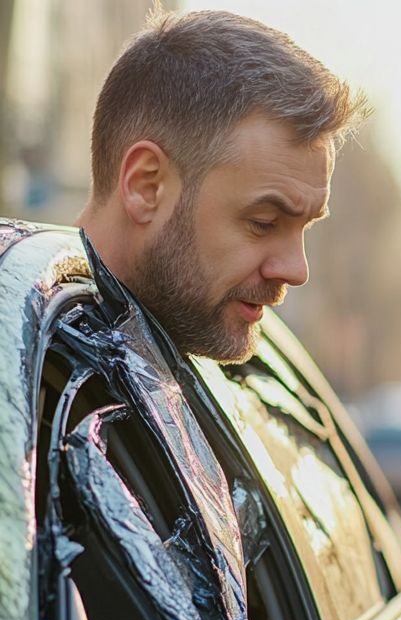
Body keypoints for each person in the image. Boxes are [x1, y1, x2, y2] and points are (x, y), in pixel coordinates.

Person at [75, 9, 367, 362]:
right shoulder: (24, 374)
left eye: (304, 226)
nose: (296, 270)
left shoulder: (222, 376)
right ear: (146, 186)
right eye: (263, 223)